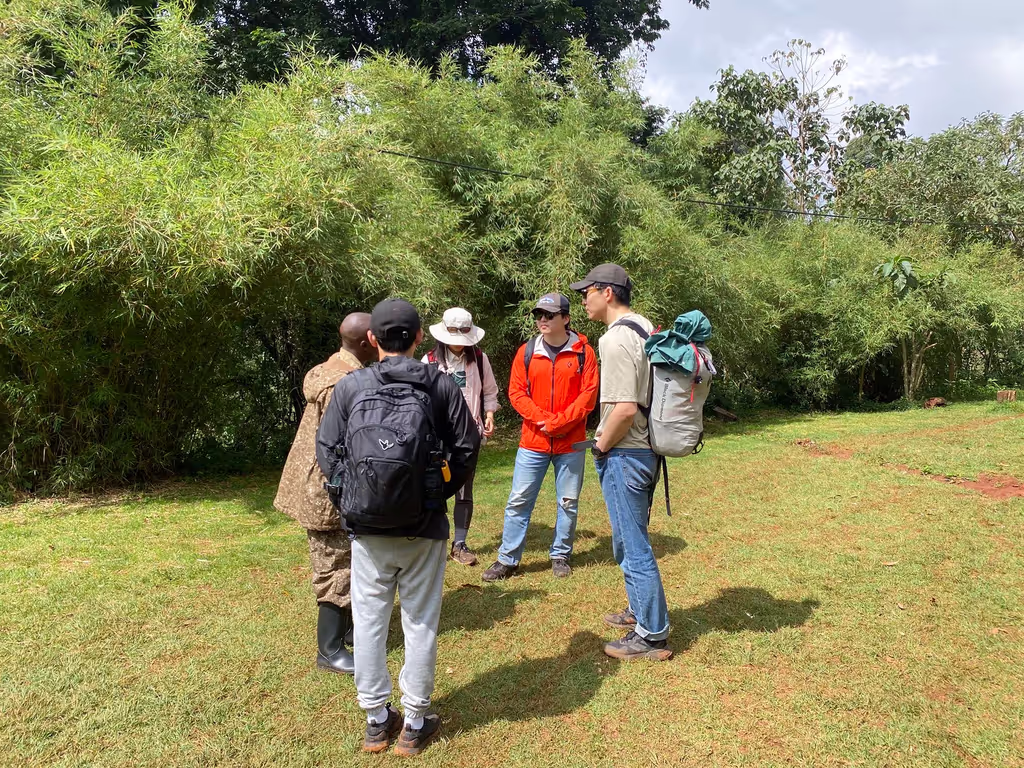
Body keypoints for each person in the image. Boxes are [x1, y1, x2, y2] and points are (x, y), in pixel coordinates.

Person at [316, 298, 479, 756]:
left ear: (372, 340)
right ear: (419, 338)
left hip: (366, 530)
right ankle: (414, 721)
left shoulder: (351, 387)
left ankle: (375, 721)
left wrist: (350, 499)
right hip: (423, 528)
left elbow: (327, 451)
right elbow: (466, 448)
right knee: (420, 621)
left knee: (369, 622)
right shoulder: (440, 385)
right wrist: (436, 495)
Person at [571, 264, 673, 662]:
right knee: (628, 539)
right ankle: (638, 609)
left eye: (587, 291)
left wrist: (600, 446)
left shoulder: (614, 340)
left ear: (607, 292)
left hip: (626, 452)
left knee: (633, 546)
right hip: (648, 449)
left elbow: (625, 408)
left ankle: (651, 635)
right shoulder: (644, 327)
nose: (584, 299)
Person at [273, 312, 376, 675]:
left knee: (347, 559)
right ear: (367, 342)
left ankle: (347, 632)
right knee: (334, 564)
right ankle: (329, 649)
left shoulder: (330, 369)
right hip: (325, 487)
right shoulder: (341, 384)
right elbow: (343, 442)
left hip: (320, 482)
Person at [482, 293, 599, 582]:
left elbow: (588, 396)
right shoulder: (527, 351)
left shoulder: (585, 353)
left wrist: (560, 422)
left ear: (566, 318)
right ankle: (508, 560)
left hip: (570, 442)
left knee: (568, 502)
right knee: (519, 500)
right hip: (533, 442)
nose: (542, 320)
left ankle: (561, 555)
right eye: (539, 315)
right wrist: (542, 420)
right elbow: (516, 392)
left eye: (549, 315)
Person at [421, 307, 499, 566]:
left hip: (469, 435)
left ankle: (460, 544)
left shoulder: (478, 358)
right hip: (437, 438)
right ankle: (434, 543)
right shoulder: (429, 361)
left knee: (464, 489)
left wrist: (489, 414)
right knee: (434, 487)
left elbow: (489, 391)